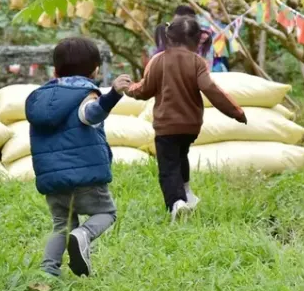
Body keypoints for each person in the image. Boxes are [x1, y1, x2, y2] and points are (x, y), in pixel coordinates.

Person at [25, 37, 132, 277]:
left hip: (52, 181)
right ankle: (84, 235)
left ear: (55, 69)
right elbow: (90, 115)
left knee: (62, 226)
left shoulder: (41, 99)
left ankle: (48, 271)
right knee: (106, 213)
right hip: (85, 177)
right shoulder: (85, 94)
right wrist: (113, 94)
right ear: (95, 69)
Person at [127, 16, 247, 222]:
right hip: (191, 126)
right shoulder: (197, 62)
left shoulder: (159, 60)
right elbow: (211, 89)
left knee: (168, 167)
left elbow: (145, 90)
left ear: (169, 38)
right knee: (181, 156)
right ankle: (187, 192)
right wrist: (235, 111)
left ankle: (176, 203)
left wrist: (129, 89)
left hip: (166, 125)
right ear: (196, 40)